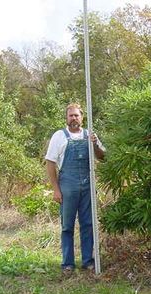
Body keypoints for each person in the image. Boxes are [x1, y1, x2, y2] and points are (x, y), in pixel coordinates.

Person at [45, 103, 105, 275]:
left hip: (87, 185)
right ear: (66, 118)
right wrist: (56, 189)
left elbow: (102, 157)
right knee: (67, 226)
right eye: (71, 116)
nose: (74, 118)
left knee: (88, 224)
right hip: (67, 186)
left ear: (82, 117)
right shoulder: (59, 136)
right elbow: (50, 164)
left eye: (76, 115)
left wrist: (95, 144)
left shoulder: (90, 134)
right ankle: (67, 264)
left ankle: (88, 261)